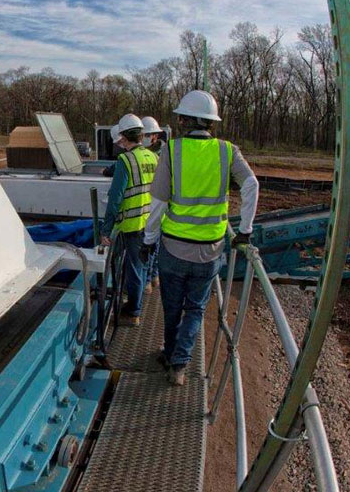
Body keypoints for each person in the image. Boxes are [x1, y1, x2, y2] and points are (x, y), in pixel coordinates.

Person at [143, 90, 259, 385]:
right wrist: (244, 231)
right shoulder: (227, 151)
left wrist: (148, 239)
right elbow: (251, 185)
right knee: (195, 308)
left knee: (172, 306)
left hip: (173, 249)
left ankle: (170, 353)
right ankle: (179, 363)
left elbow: (157, 204)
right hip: (210, 250)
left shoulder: (172, 150)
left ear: (185, 120)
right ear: (210, 122)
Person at [100, 114, 159, 326]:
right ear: (142, 135)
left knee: (134, 270)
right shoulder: (153, 157)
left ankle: (133, 312)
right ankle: (137, 301)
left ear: (124, 138)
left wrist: (106, 230)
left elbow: (115, 199)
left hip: (133, 225)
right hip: (151, 223)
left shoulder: (125, 160)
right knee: (143, 266)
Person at [140, 116, 165, 295]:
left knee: (151, 246)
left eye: (148, 134)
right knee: (154, 245)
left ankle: (149, 280)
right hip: (156, 206)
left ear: (155, 136)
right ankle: (154, 277)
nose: (146, 138)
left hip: (156, 206)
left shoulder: (161, 154)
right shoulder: (159, 152)